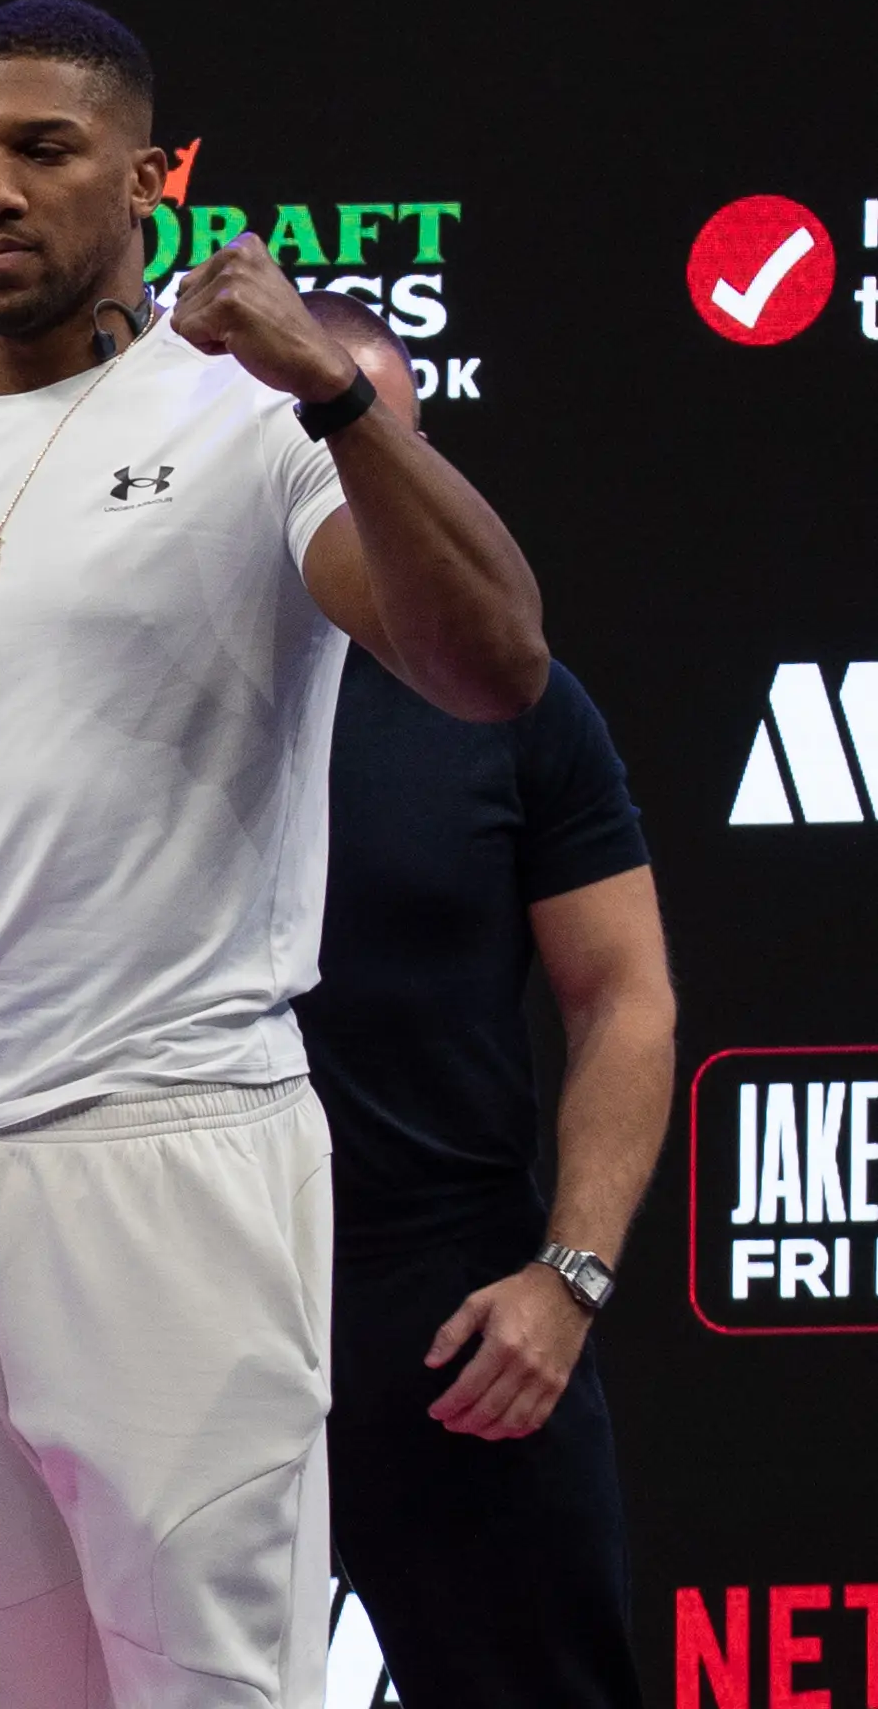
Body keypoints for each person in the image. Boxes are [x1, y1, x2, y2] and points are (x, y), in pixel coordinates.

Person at [0, 0, 551, 1708]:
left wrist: (333, 388)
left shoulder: (252, 427)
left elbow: (492, 667)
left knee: (212, 1684)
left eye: (46, 149)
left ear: (148, 176)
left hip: (168, 1143)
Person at [295, 290, 672, 1707]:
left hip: (453, 1306)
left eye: (369, 439)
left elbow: (625, 996)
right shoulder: (139, 686)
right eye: (304, 443)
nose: (340, 479)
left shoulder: (517, 703)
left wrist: (567, 1278)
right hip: (182, 1276)